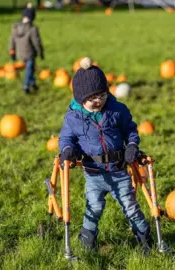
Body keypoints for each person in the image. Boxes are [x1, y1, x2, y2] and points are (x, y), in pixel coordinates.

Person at [58, 57, 152, 254]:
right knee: (94, 207)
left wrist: (132, 146)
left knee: (130, 206)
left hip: (119, 171)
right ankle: (87, 241)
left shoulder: (117, 110)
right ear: (80, 98)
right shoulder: (73, 118)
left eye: (102, 95)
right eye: (93, 98)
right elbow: (67, 138)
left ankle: (145, 240)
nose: (98, 101)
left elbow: (131, 131)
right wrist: (68, 151)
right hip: (94, 173)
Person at [9, 4, 44, 94]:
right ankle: (26, 85)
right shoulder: (32, 29)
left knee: (31, 68)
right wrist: (40, 52)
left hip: (20, 53)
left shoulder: (16, 28)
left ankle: (33, 83)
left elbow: (12, 40)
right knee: (29, 69)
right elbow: (37, 42)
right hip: (29, 53)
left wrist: (12, 51)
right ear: (32, 17)